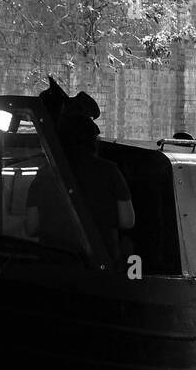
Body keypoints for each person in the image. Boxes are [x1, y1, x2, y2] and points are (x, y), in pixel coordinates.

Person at [28, 107, 134, 262]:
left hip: (52, 263)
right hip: (100, 263)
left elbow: (31, 227)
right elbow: (127, 221)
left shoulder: (45, 174)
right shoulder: (110, 171)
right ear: (93, 141)